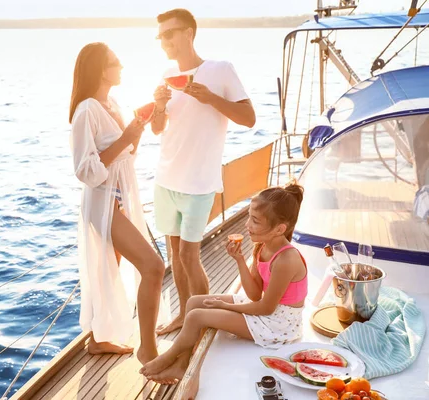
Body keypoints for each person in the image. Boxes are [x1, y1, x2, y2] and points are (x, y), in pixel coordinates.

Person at [151, 8, 257, 336]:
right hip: (166, 179)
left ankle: (203, 317)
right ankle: (185, 315)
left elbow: (249, 118)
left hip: (199, 182)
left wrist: (210, 98)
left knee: (188, 255)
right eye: (160, 36)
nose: (164, 41)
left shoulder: (220, 70)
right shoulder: (167, 73)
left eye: (170, 33)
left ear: (189, 33)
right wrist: (157, 106)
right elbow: (157, 129)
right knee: (175, 255)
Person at [139, 182, 308, 384]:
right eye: (248, 217)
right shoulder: (263, 247)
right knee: (193, 303)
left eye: (255, 221)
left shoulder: (287, 260)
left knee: (196, 317)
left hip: (279, 325)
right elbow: (254, 294)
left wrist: (225, 305)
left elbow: (265, 307)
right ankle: (182, 364)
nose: (247, 225)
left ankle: (165, 359)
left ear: (279, 229)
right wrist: (239, 260)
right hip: (269, 313)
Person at [69, 42, 165, 364]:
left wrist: (135, 132)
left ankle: (97, 340)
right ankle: (148, 351)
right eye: (115, 62)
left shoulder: (112, 103)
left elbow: (127, 155)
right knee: (154, 267)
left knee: (108, 268)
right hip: (103, 201)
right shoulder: (86, 110)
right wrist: (125, 138)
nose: (122, 66)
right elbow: (86, 170)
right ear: (100, 69)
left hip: (120, 197)